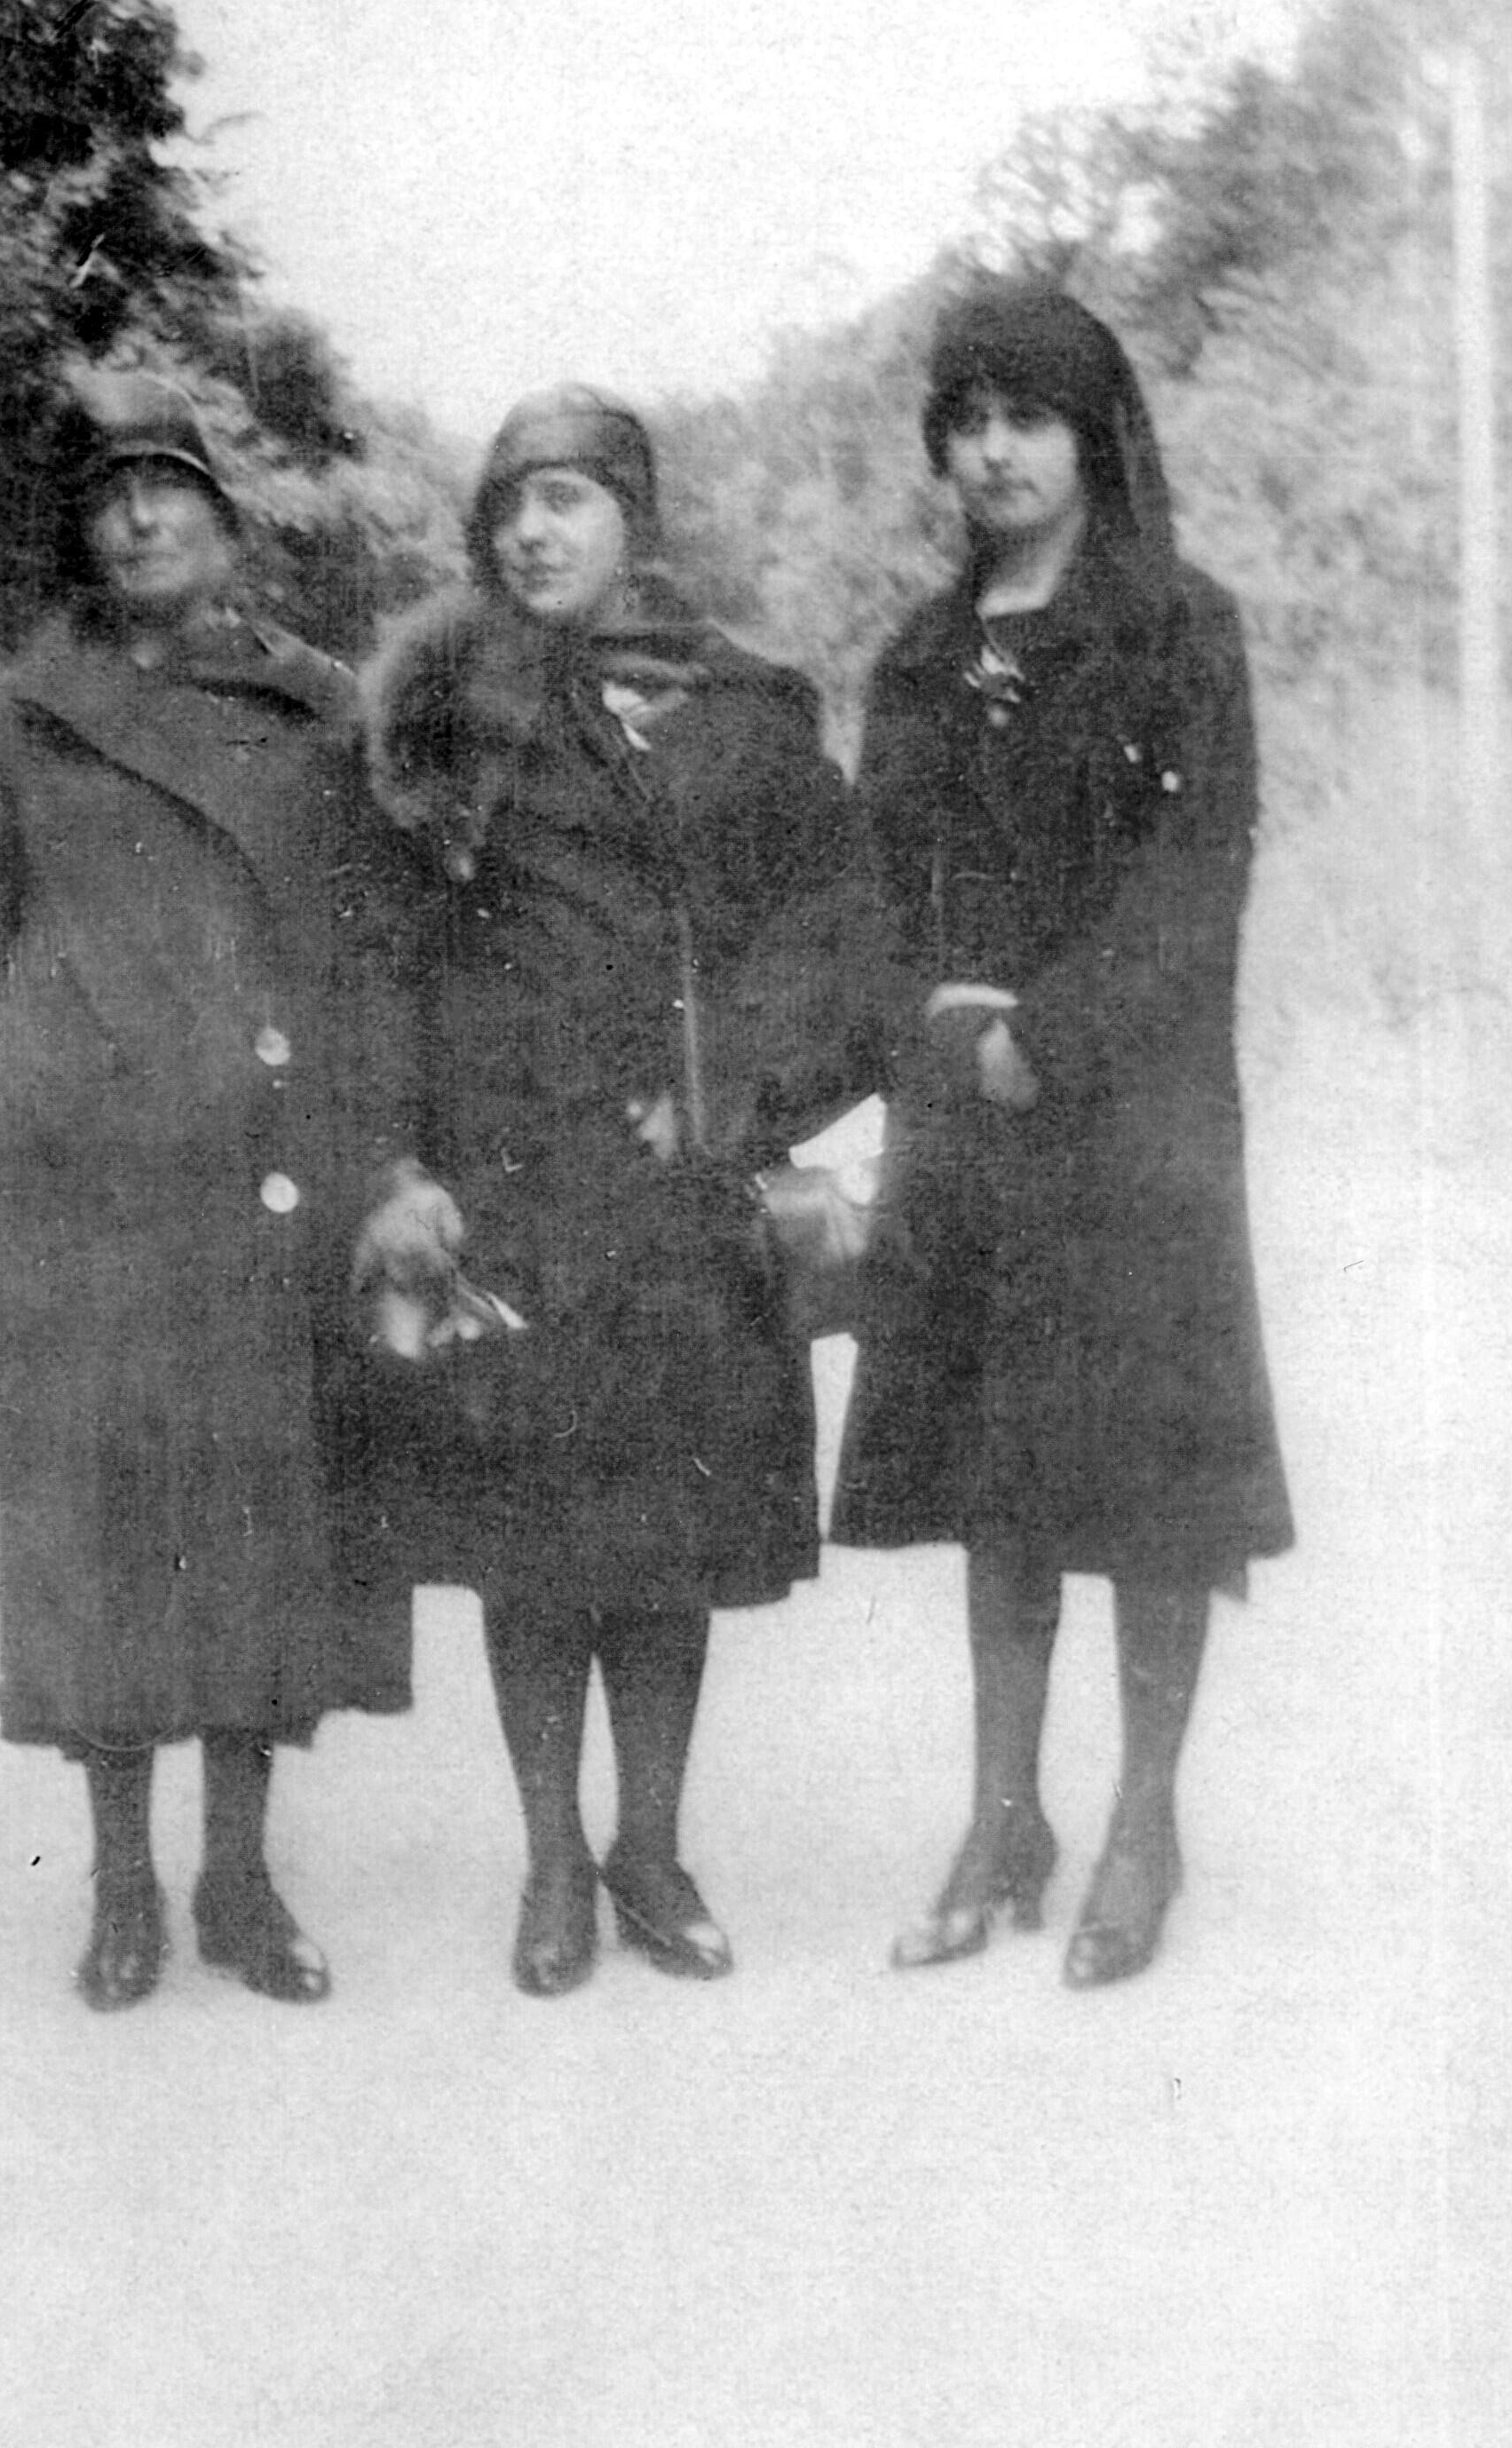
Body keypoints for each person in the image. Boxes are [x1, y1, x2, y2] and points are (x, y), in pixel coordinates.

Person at [360, 386, 880, 1996]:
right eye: (510, 505)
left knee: (667, 1535)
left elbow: (840, 935)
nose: (533, 532)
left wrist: (730, 1091)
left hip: (679, 1198)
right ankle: (551, 1863)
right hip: (510, 1182)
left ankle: (648, 1850)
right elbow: (378, 956)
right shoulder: (439, 712)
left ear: (634, 522)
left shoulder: (742, 710)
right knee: (529, 1546)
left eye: (568, 499)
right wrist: (396, 1165)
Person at [0, 394, 419, 2013]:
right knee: (106, 1539)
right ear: (84, 530)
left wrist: (384, 1163)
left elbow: (368, 952)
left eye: (170, 490)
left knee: (262, 1536)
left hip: (265, 1180)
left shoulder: (315, 705)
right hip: (85, 1188)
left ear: (226, 521)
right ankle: (122, 1884)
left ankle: (241, 1881)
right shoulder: (18, 712)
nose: (139, 520)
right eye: (112, 496)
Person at [831, 279, 1291, 1987]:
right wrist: (929, 1029)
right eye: (965, 422)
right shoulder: (919, 657)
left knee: (1152, 1489)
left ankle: (1145, 1825)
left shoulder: (1181, 628)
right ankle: (1002, 1819)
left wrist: (1053, 1032)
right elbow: (875, 886)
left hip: (1134, 1116)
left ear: (1093, 435)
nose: (993, 451)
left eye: (1026, 417)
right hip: (967, 1115)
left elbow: (1197, 875)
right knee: (998, 1477)